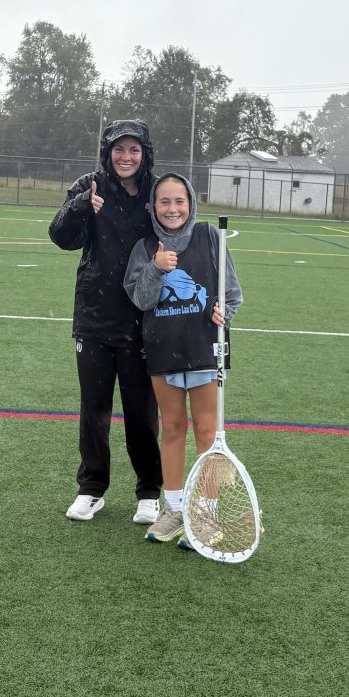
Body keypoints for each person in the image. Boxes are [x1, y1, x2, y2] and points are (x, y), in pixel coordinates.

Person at [49, 120, 163, 524]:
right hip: (94, 317)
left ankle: (149, 492)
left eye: (134, 150)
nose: (126, 157)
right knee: (94, 410)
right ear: (107, 151)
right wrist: (81, 206)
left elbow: (179, 234)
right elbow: (62, 237)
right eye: (119, 149)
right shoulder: (89, 186)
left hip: (142, 319)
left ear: (145, 153)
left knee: (141, 413)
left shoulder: (156, 191)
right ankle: (91, 489)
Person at [123, 173, 242, 550]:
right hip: (163, 350)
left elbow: (232, 293)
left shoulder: (210, 237)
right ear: (153, 207)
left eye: (179, 201)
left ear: (190, 203)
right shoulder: (145, 247)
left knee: (207, 430)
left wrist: (224, 313)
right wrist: (156, 267)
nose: (172, 209)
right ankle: (174, 508)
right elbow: (141, 300)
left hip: (205, 349)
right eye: (165, 201)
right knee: (172, 428)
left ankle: (205, 513)